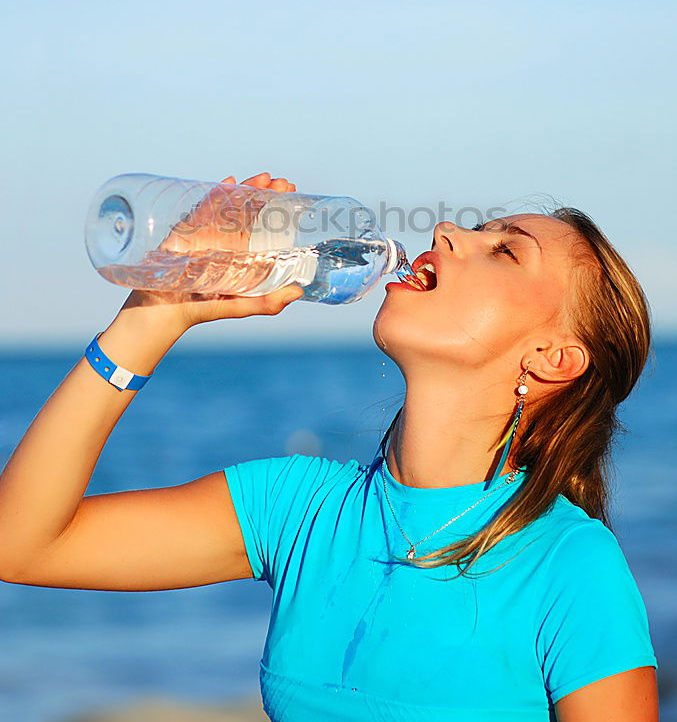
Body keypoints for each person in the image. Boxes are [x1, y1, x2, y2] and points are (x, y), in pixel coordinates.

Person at [0, 171, 659, 722]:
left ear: (550, 357)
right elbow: (22, 544)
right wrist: (157, 310)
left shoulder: (571, 568)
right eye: (475, 230)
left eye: (504, 251)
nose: (446, 231)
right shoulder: (297, 509)